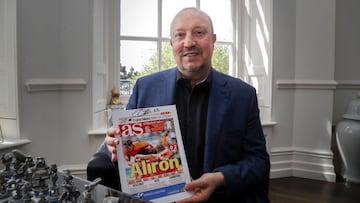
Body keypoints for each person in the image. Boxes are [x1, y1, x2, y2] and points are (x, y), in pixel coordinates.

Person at [93, 7, 270, 203]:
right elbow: (121, 151)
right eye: (180, 35)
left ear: (213, 40)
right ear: (171, 43)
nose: (189, 42)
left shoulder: (243, 95)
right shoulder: (145, 87)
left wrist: (220, 179)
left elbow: (259, 162)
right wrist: (115, 149)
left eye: (199, 33)